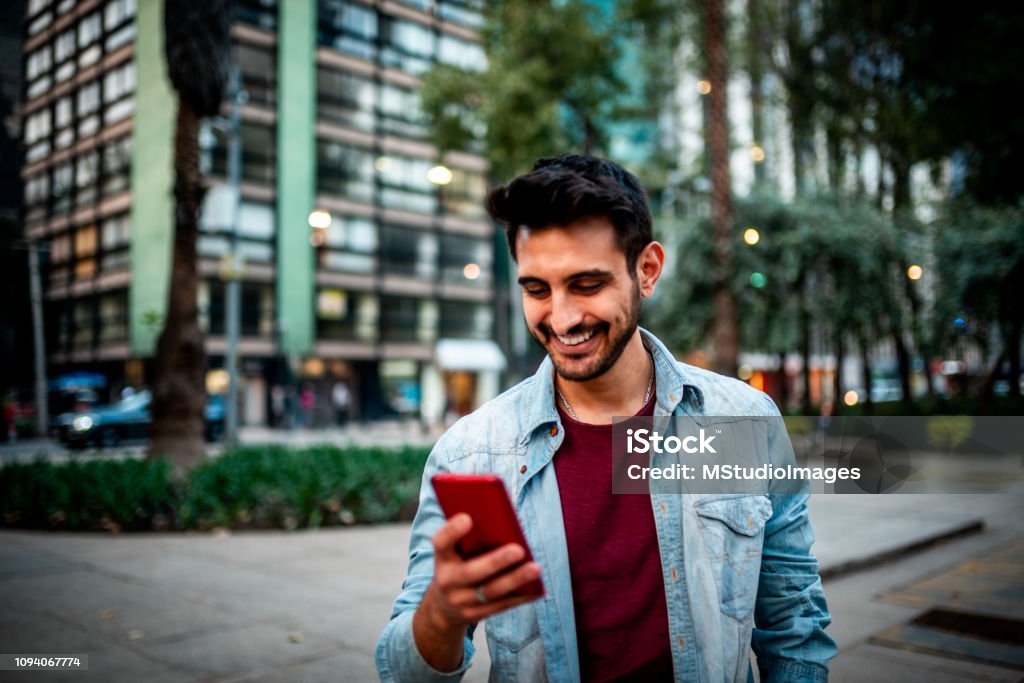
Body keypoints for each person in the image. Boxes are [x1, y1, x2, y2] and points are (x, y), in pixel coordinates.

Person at [376, 154, 836, 682]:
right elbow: (400, 672)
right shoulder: (472, 453)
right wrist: (443, 612)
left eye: (587, 284)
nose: (563, 317)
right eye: (536, 289)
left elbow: (794, 626)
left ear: (647, 270)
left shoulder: (740, 421)